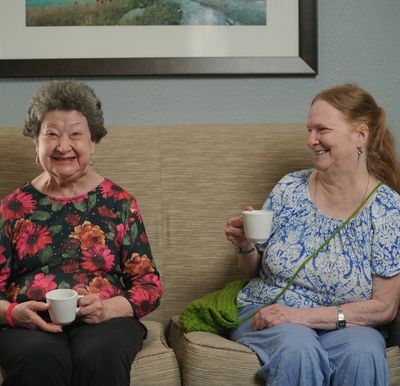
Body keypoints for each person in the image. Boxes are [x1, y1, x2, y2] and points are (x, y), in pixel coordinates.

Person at [225, 83, 400, 386]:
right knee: (299, 350)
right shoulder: (290, 188)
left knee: (363, 355)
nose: (311, 141)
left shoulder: (388, 209)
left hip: (346, 325)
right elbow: (255, 270)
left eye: (322, 130)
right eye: (309, 130)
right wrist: (245, 246)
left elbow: (384, 308)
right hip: (271, 313)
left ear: (360, 134)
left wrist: (301, 316)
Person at [0, 80, 163, 386]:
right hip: (31, 326)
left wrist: (106, 310)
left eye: (76, 134)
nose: (64, 146)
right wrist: (12, 314)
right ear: (36, 143)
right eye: (51, 134)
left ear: (93, 142)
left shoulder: (119, 203)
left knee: (100, 354)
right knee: (39, 359)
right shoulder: (13, 208)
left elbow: (149, 286)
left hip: (105, 321)